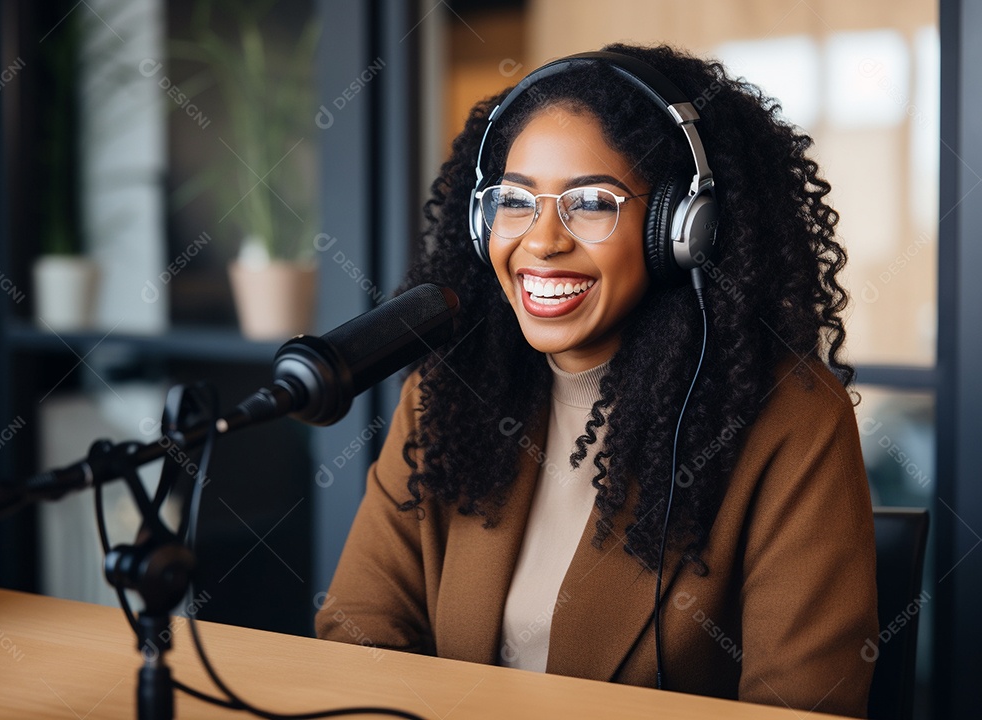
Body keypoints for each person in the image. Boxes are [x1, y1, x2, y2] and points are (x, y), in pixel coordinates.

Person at [316, 42, 878, 718]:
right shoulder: (448, 396)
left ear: (682, 229)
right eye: (514, 200)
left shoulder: (790, 420)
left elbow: (800, 706)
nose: (541, 240)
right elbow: (358, 637)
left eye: (590, 203)